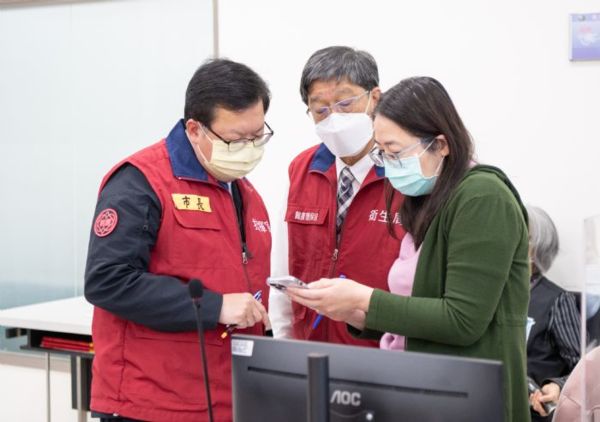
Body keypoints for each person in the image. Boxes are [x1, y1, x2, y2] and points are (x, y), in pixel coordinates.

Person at [286, 76, 531, 421]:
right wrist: (353, 312)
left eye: (396, 151)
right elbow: (419, 311)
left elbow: (462, 320)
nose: (388, 163)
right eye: (382, 152)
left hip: (468, 397)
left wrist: (365, 300)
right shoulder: (427, 198)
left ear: (441, 144)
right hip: (418, 387)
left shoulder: (483, 197)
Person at [84, 59, 273, 422]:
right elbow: (107, 280)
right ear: (195, 129)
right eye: (236, 140)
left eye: (258, 136)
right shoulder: (141, 182)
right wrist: (215, 307)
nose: (250, 148)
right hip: (152, 401)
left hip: (224, 398)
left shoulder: (242, 191)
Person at [268, 46, 405, 346]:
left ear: (375, 98)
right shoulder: (302, 170)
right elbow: (281, 271)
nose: (334, 117)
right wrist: (284, 342)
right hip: (309, 349)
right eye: (321, 110)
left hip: (381, 351)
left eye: (345, 103)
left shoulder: (406, 173)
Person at [525, 205, 582, 421]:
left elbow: (585, 369)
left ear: (536, 247)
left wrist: (558, 385)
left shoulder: (557, 300)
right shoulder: (492, 295)